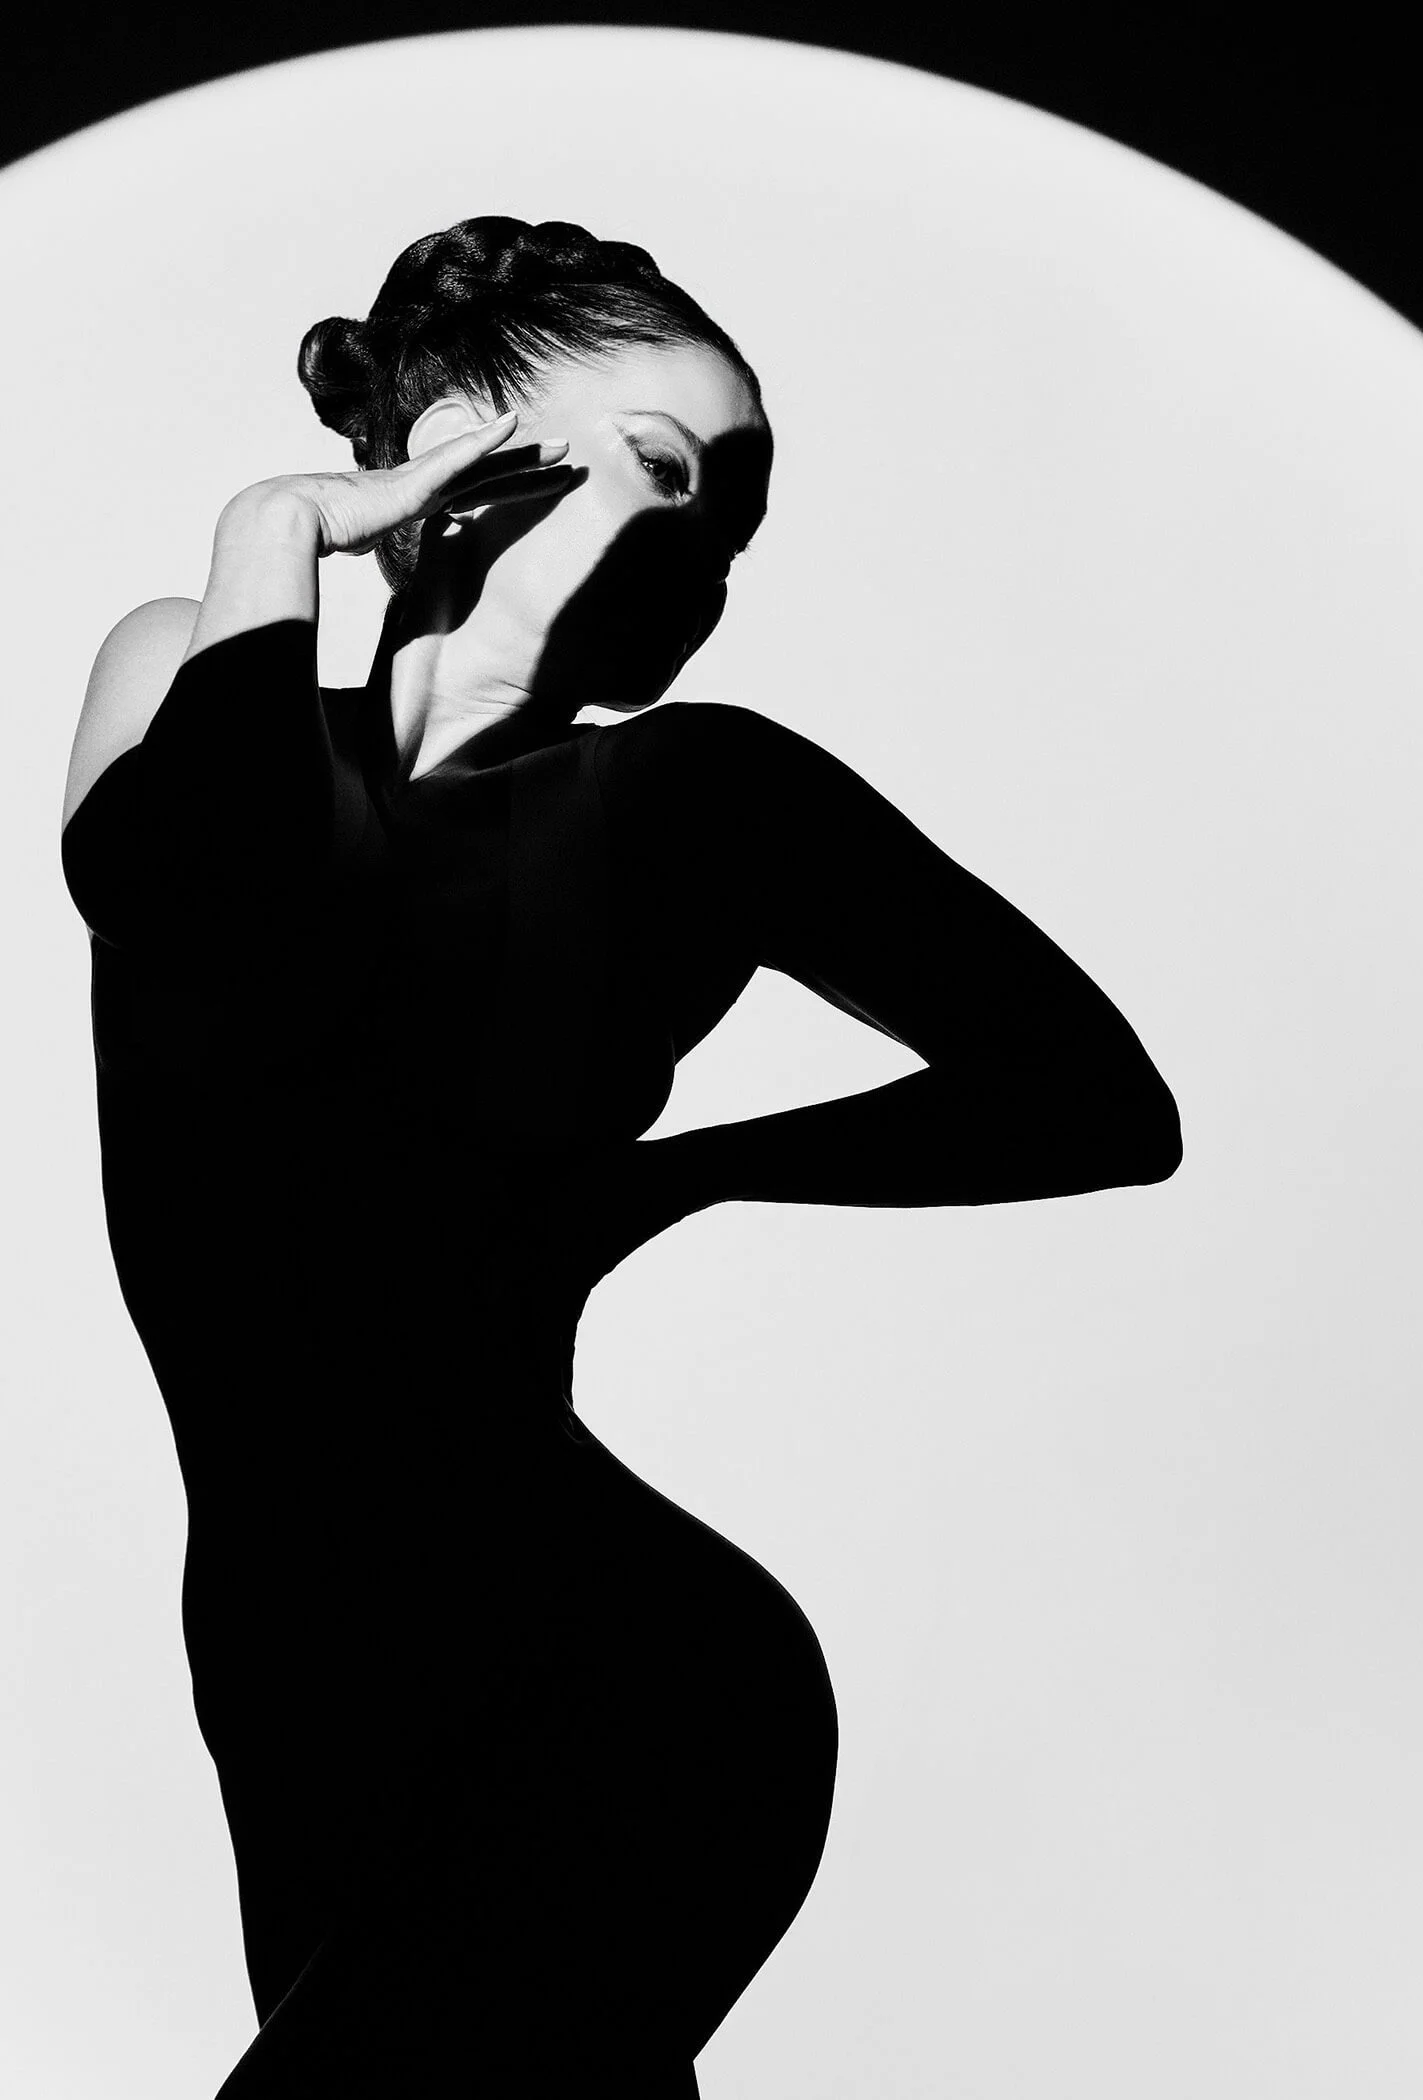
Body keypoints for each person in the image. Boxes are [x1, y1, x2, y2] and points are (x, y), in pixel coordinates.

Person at [58, 214, 1182, 2096]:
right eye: (665, 465)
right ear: (458, 443)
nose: (702, 549)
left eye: (733, 524)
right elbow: (197, 894)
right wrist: (280, 532)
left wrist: (672, 1177)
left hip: (614, 1675)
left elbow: (1095, 1101)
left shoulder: (698, 792)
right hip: (287, 1671)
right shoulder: (194, 663)